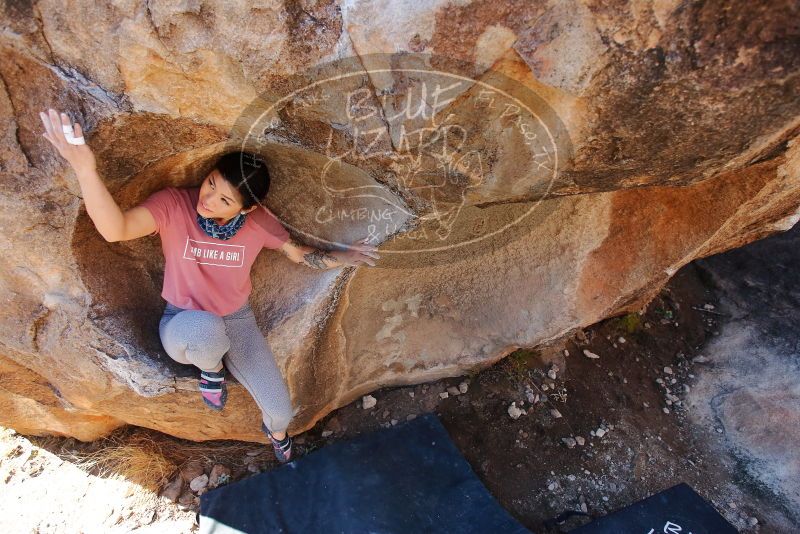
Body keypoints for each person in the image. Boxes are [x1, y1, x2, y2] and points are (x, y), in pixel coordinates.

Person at [39, 108, 380, 463]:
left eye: (224, 200)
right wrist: (84, 169)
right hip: (183, 323)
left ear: (246, 210)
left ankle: (276, 436)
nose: (208, 199)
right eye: (211, 184)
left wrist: (342, 255)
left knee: (281, 411)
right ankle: (211, 371)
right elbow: (116, 230)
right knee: (206, 329)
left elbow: (298, 253)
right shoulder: (175, 205)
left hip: (238, 321)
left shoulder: (258, 223)